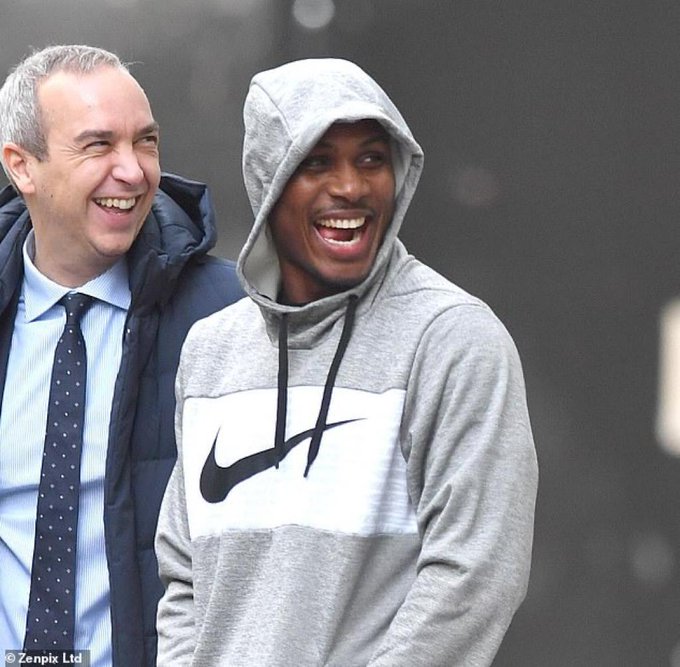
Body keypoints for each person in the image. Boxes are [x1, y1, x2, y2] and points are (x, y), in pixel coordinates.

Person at [156, 58, 538, 666]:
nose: (352, 187)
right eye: (316, 162)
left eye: (372, 159)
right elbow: (184, 575)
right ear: (268, 181)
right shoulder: (211, 350)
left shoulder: (453, 339)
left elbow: (473, 576)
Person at [0, 45, 243, 666]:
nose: (133, 171)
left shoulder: (230, 318)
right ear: (22, 166)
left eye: (146, 142)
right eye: (98, 145)